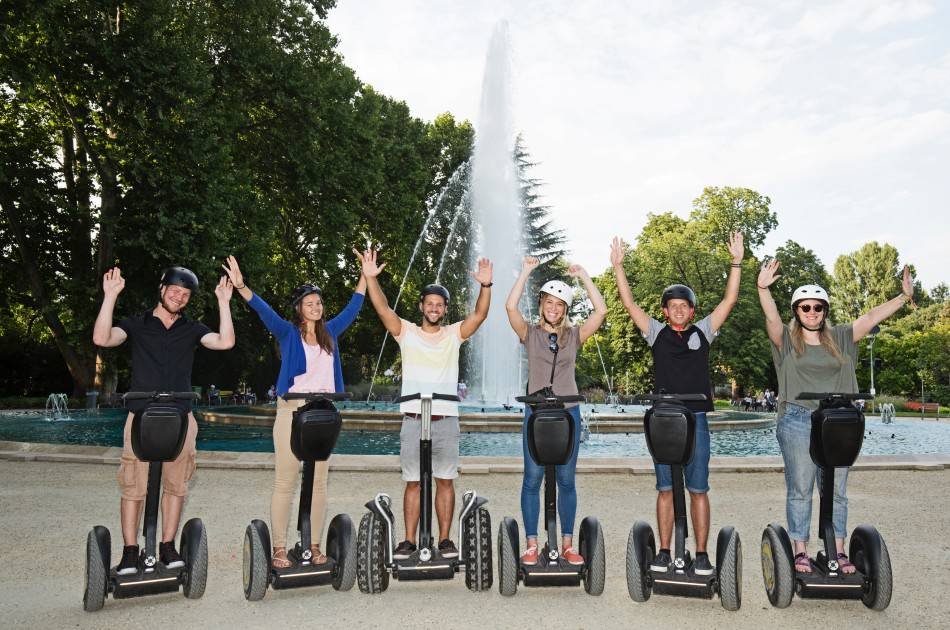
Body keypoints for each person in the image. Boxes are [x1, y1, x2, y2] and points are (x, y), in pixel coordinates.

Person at [757, 260, 914, 574]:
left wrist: (903, 297)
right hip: (798, 420)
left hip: (839, 421)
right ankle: (800, 551)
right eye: (805, 307)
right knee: (801, 487)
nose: (812, 312)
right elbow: (772, 318)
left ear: (825, 310)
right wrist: (763, 288)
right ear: (796, 311)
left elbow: (870, 317)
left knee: (836, 489)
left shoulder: (842, 338)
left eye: (817, 307)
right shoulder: (785, 343)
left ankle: (837, 551)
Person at [611, 232, 744, 576]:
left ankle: (700, 553)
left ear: (692, 311)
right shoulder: (656, 333)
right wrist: (618, 267)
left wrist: (736, 262)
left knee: (698, 488)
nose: (679, 310)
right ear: (666, 311)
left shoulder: (703, 332)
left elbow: (729, 301)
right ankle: (665, 549)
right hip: (665, 420)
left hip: (696, 417)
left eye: (685, 306)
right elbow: (629, 304)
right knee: (666, 487)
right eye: (673, 306)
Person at [222, 255, 365, 568]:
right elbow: (264, 312)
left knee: (319, 483)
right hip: (292, 410)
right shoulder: (288, 333)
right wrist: (242, 286)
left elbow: (353, 309)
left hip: (323, 412)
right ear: (299, 308)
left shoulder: (331, 333)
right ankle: (279, 548)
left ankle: (313, 545)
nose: (316, 306)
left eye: (318, 302)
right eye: (309, 303)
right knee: (286, 481)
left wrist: (365, 277)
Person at [93, 266, 235, 575]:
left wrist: (224, 301)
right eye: (174, 290)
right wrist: (110, 296)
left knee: (176, 485)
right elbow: (102, 338)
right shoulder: (137, 324)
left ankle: (167, 546)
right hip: (142, 416)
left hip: (180, 417)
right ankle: (131, 551)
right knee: (133, 486)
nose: (179, 297)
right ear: (161, 289)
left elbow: (225, 342)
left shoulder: (193, 329)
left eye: (185, 294)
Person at [355, 245, 492, 560]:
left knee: (445, 481)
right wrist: (370, 278)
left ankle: (444, 540)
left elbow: (480, 314)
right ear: (422, 306)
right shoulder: (407, 332)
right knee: (413, 482)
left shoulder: (454, 334)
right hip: (414, 418)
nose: (434, 308)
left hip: (445, 418)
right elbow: (382, 309)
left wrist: (485, 286)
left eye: (439, 305)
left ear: (444, 309)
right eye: (429, 303)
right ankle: (408, 540)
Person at [505, 256, 607, 565]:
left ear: (565, 310)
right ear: (542, 305)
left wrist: (585, 276)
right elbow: (510, 308)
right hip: (536, 413)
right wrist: (524, 271)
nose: (554, 308)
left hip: (567, 414)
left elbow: (601, 311)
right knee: (532, 479)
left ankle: (567, 544)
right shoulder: (530, 335)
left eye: (560, 304)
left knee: (566, 479)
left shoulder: (574, 336)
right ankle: (532, 544)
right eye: (549, 302)